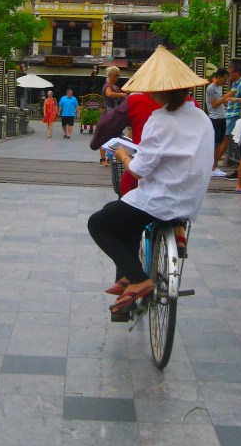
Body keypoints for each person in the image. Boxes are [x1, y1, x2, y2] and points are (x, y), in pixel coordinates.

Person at [87, 46, 212, 320]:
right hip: (190, 200)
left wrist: (121, 153)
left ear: (160, 90)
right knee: (125, 218)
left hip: (160, 198)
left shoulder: (160, 119)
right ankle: (136, 272)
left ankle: (136, 278)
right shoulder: (203, 119)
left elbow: (141, 169)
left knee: (99, 223)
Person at [214, 60, 241, 167]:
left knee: (226, 139)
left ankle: (214, 164)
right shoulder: (234, 84)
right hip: (229, 114)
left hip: (234, 115)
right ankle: (214, 162)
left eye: (231, 73)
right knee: (223, 139)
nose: (229, 75)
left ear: (237, 73)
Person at [99, 66, 126, 165]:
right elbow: (109, 94)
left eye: (119, 75)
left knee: (116, 137)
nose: (118, 77)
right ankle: (103, 159)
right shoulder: (107, 86)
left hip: (115, 114)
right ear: (110, 75)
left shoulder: (116, 87)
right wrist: (121, 95)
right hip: (108, 114)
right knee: (104, 136)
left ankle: (112, 158)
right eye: (116, 75)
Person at [205, 68, 229, 177]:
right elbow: (214, 104)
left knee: (219, 142)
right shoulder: (211, 88)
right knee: (214, 143)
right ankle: (212, 167)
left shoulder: (219, 87)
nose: (225, 82)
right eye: (224, 79)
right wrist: (226, 97)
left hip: (222, 117)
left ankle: (214, 165)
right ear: (219, 77)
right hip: (215, 118)